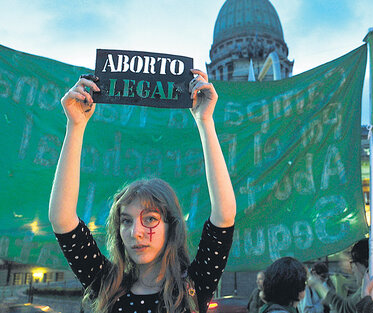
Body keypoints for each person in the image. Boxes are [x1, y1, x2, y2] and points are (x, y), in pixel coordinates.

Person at [49, 69, 236, 313]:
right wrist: (75, 126)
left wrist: (205, 122)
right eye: (126, 221)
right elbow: (62, 221)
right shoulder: (106, 284)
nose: (136, 233)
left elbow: (224, 217)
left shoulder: (192, 287)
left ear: (171, 225)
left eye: (150, 219)